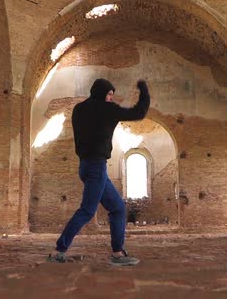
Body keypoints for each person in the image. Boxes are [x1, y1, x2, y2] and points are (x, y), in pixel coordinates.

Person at [48, 78, 150, 266]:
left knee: (118, 208)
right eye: (109, 94)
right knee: (87, 210)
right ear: (102, 93)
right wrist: (144, 90)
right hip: (96, 167)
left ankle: (118, 254)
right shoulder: (106, 109)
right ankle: (58, 251)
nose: (110, 98)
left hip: (85, 167)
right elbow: (139, 112)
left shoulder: (79, 109)